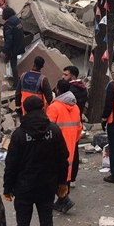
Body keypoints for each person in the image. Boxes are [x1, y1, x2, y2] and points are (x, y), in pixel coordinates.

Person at [4, 96, 69, 226]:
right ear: (42, 108)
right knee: (46, 223)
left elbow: (11, 164)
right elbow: (63, 159)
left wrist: (8, 188)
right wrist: (62, 182)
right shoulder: (54, 130)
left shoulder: (19, 134)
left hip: (24, 187)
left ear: (25, 110)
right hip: (47, 186)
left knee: (22, 225)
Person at [47, 80, 81, 214]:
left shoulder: (54, 107)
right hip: (71, 143)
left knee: (53, 172)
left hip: (56, 144)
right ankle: (61, 200)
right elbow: (79, 127)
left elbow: (48, 128)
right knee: (65, 172)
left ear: (58, 91)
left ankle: (64, 199)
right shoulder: (75, 107)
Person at [0, 6, 25, 90]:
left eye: (3, 14)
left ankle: (15, 84)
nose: (1, 15)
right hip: (19, 44)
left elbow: (9, 40)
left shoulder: (8, 25)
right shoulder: (16, 20)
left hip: (13, 48)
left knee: (13, 65)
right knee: (11, 63)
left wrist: (4, 51)